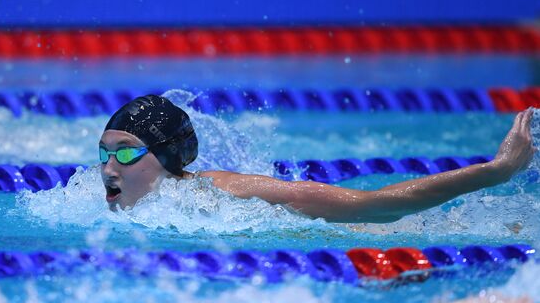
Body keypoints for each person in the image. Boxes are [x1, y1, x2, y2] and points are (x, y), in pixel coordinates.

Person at [99, 94, 536, 222]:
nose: (107, 167)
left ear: (166, 156)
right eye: (104, 152)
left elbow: (373, 205)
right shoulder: (109, 208)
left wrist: (493, 172)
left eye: (124, 152)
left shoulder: (222, 194)